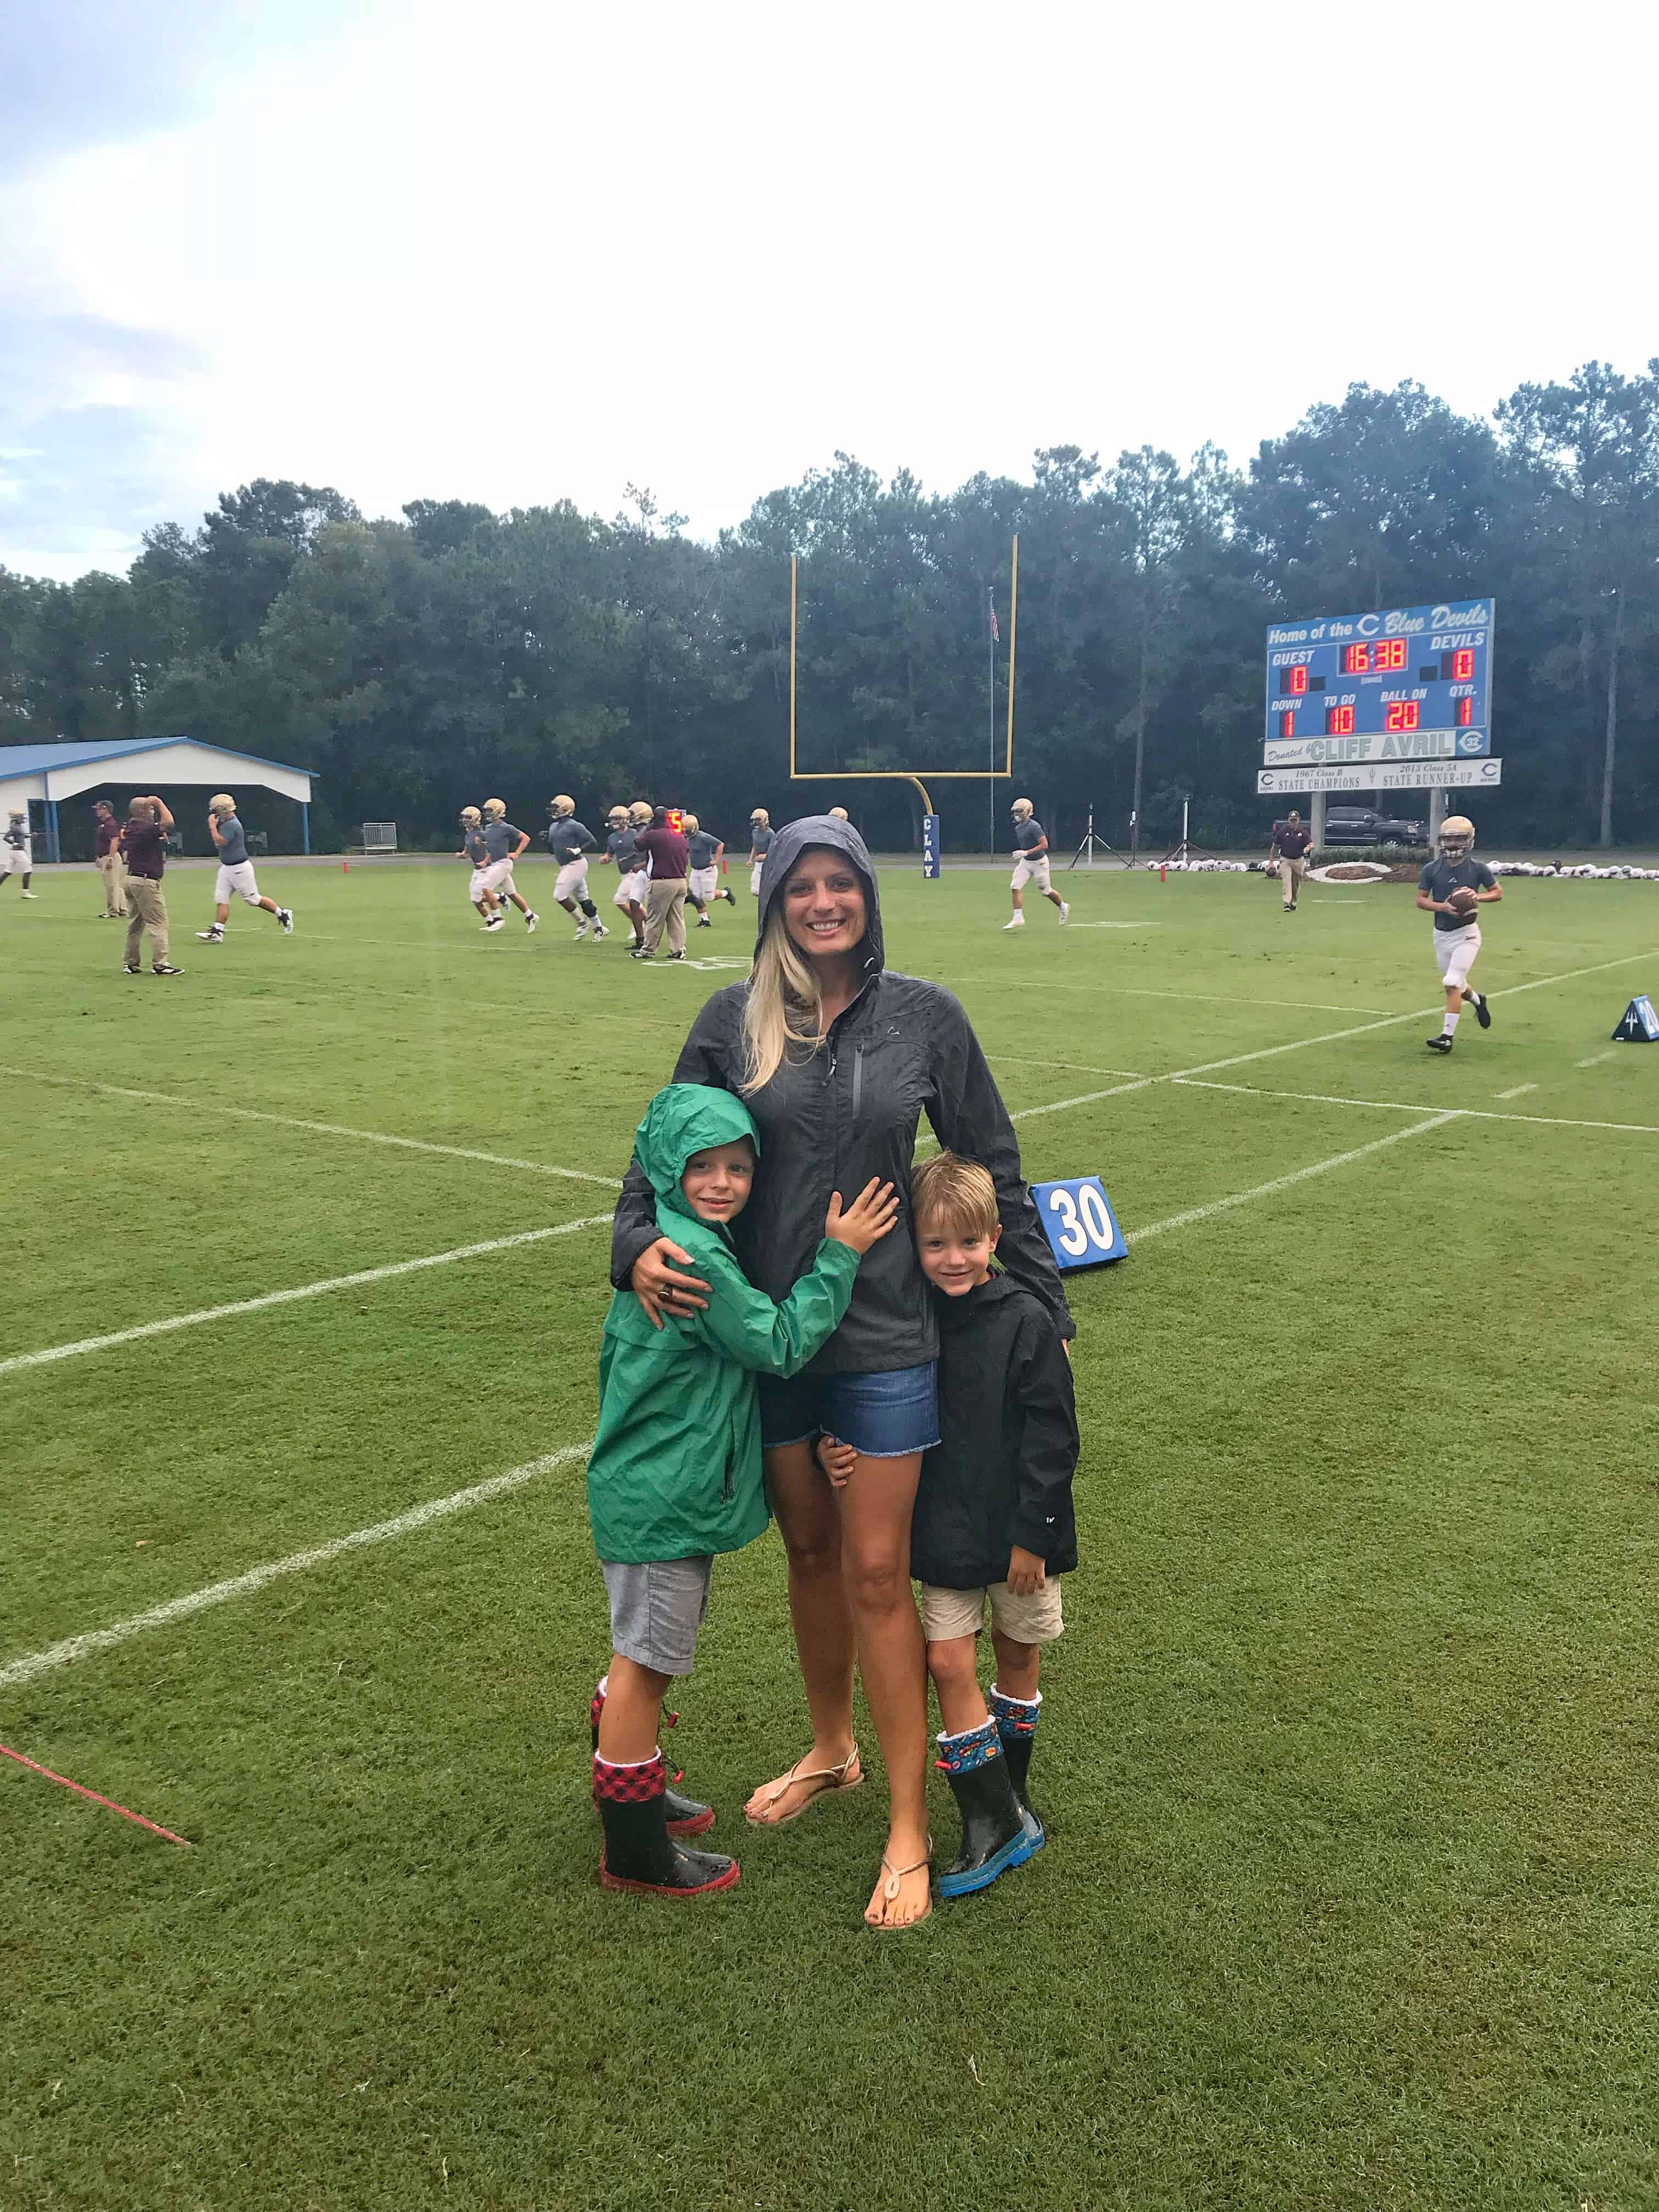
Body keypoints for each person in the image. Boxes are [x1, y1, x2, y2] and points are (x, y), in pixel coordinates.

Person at [610, 814, 1074, 1929]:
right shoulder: (731, 1019)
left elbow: (992, 1165)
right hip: (771, 1338)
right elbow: (660, 1152)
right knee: (809, 1555)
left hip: (885, 1341)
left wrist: (1044, 1306)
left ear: (868, 895)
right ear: (774, 899)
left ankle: (913, 1824)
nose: (825, 902)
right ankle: (832, 1750)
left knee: (878, 1575)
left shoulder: (926, 1018)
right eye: (802, 886)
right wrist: (634, 1250)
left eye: (842, 884)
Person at [588, 1082, 898, 1898]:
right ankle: (633, 1848)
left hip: (655, 1483)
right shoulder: (693, 1259)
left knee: (640, 1656)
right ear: (666, 1167)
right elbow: (777, 1340)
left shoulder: (679, 1238)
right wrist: (841, 1253)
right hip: (663, 1492)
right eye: (703, 1166)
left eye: (739, 1167)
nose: (724, 1183)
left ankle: (637, 1786)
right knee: (646, 1663)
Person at [816, 1150, 1077, 1900]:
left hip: (1021, 1537)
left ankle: (1012, 1801)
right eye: (935, 1246)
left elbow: (1053, 1435)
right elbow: (875, 1400)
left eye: (969, 1243)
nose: (953, 1260)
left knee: (1016, 1659)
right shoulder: (913, 1322)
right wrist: (838, 1445)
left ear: (996, 1238)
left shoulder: (1026, 1320)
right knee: (949, 1664)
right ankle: (991, 1819)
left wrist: (1036, 1535)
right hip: (945, 1538)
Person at [1418, 813, 1500, 1052]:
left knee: (1452, 981)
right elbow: (1420, 901)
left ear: (1470, 841)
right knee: (1456, 985)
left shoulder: (1478, 868)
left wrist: (1478, 897)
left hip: (1467, 935)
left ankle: (1447, 1037)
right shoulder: (1432, 869)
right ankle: (1478, 1001)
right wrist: (1442, 906)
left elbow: (1497, 892)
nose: (1453, 844)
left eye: (1459, 839)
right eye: (1449, 839)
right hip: (1441, 935)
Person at [196, 794, 293, 943]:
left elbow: (220, 842)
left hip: (240, 868)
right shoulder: (227, 822)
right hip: (227, 868)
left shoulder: (232, 825)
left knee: (253, 900)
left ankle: (282, 913)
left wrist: (212, 826)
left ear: (222, 811)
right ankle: (218, 931)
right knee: (221, 899)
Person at [117, 795, 182, 975]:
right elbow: (169, 822)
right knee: (158, 923)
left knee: (136, 924)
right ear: (144, 811)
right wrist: (160, 802)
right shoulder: (146, 828)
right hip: (146, 881)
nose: (154, 812)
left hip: (132, 878)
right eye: (151, 809)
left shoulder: (131, 827)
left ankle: (131, 963)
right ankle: (161, 964)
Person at [631, 805, 690, 963]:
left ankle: (648, 950)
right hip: (681, 881)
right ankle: (679, 949)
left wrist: (647, 827)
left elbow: (638, 844)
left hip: (661, 882)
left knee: (655, 918)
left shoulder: (653, 835)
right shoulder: (679, 836)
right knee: (677, 919)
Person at [545, 795, 607, 941]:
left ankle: (582, 923)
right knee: (583, 900)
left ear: (566, 809)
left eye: (556, 807)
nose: (553, 810)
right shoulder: (553, 826)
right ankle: (599, 928)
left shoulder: (574, 825)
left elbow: (592, 841)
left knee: (559, 895)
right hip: (565, 866)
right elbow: (552, 850)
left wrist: (577, 850)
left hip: (576, 864)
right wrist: (546, 840)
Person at [1002, 799, 1069, 930]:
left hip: (1040, 863)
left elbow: (1045, 845)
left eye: (1020, 811)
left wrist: (1026, 852)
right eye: (1015, 811)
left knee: (1046, 891)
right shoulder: (1018, 828)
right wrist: (1024, 855)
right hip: (1026, 863)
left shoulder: (1034, 827)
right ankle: (1018, 917)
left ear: (1027, 811)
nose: (1017, 814)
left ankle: (1063, 906)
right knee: (1015, 886)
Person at [479, 799, 538, 931]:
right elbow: (492, 846)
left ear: (498, 811)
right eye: (487, 810)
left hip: (503, 863)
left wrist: (517, 853)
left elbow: (526, 838)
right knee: (512, 893)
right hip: (495, 864)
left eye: (490, 810)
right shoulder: (488, 828)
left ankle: (498, 919)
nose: (487, 813)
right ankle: (530, 915)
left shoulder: (506, 827)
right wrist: (485, 852)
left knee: (486, 888)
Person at [601, 805, 649, 949]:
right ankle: (648, 925)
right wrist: (605, 859)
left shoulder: (636, 834)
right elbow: (609, 855)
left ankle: (641, 925)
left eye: (617, 819)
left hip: (636, 873)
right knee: (636, 904)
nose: (614, 822)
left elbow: (645, 852)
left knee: (620, 899)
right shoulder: (612, 837)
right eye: (613, 819)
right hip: (624, 874)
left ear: (624, 819)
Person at [682, 813, 735, 928]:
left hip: (707, 870)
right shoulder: (687, 838)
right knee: (695, 896)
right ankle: (705, 920)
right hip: (695, 870)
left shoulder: (703, 837)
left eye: (688, 830)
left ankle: (726, 893)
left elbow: (720, 844)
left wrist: (716, 860)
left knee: (708, 897)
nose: (686, 832)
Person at [1269, 809, 1313, 912]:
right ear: (1289, 820)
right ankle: (1287, 903)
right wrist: (1271, 861)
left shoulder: (1303, 832)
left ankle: (1294, 901)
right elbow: (1274, 846)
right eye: (1292, 820)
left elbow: (1311, 844)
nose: (1293, 822)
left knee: (1296, 883)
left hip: (1298, 860)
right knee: (1287, 880)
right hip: (1286, 860)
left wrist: (1308, 848)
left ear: (1299, 820)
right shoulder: (1283, 831)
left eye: (1295, 820)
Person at [1, 809, 36, 899]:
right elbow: (6, 837)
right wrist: (14, 843)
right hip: (18, 851)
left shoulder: (18, 826)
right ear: (16, 818)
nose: (23, 818)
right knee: (28, 870)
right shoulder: (16, 827)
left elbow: (21, 836)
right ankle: (26, 893)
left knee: (7, 872)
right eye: (20, 816)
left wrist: (30, 836)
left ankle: (26, 893)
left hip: (14, 852)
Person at [746, 808, 773, 896]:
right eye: (755, 820)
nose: (756, 822)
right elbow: (755, 846)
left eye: (758, 819)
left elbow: (775, 850)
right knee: (755, 890)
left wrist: (765, 856)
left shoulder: (770, 833)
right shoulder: (755, 832)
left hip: (769, 864)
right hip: (758, 864)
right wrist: (751, 859)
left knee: (769, 887)